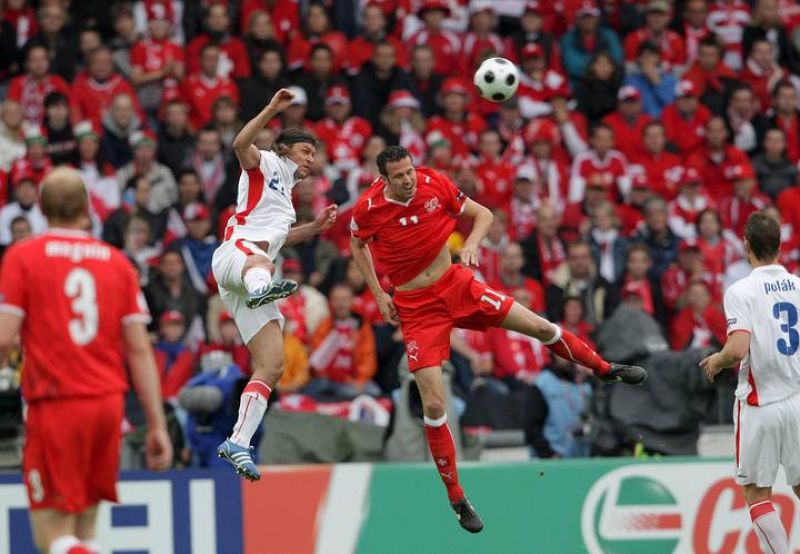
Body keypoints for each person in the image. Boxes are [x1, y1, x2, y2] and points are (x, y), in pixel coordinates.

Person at [349, 146, 646, 533]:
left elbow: (483, 214)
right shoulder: (368, 208)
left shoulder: (433, 182)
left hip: (456, 284)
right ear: (383, 179)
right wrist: (377, 293)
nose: (408, 180)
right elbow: (358, 245)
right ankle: (457, 497)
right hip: (416, 307)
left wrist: (471, 244)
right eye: (399, 176)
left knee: (539, 327)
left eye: (409, 172)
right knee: (434, 404)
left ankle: (604, 369)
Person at [0, 167, 172, 554]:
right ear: (87, 207)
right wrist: (157, 423)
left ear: (41, 208)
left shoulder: (24, 257)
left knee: (54, 537)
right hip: (107, 405)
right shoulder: (117, 263)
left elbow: (4, 338)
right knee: (85, 533)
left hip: (57, 403)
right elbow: (140, 349)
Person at [212, 89, 337, 481]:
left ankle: (238, 441)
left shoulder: (285, 199)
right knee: (260, 258)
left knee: (272, 364)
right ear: (285, 150)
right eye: (304, 152)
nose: (310, 160)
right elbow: (239, 144)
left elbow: (281, 238)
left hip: (250, 273)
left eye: (313, 155)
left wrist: (314, 228)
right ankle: (260, 285)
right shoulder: (265, 163)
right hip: (236, 256)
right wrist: (270, 109)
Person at [701, 212, 800, 554]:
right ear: (780, 246)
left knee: (758, 493)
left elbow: (738, 348)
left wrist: (715, 360)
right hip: (798, 400)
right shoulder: (799, 286)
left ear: (746, 244)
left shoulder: (741, 290)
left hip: (762, 404)